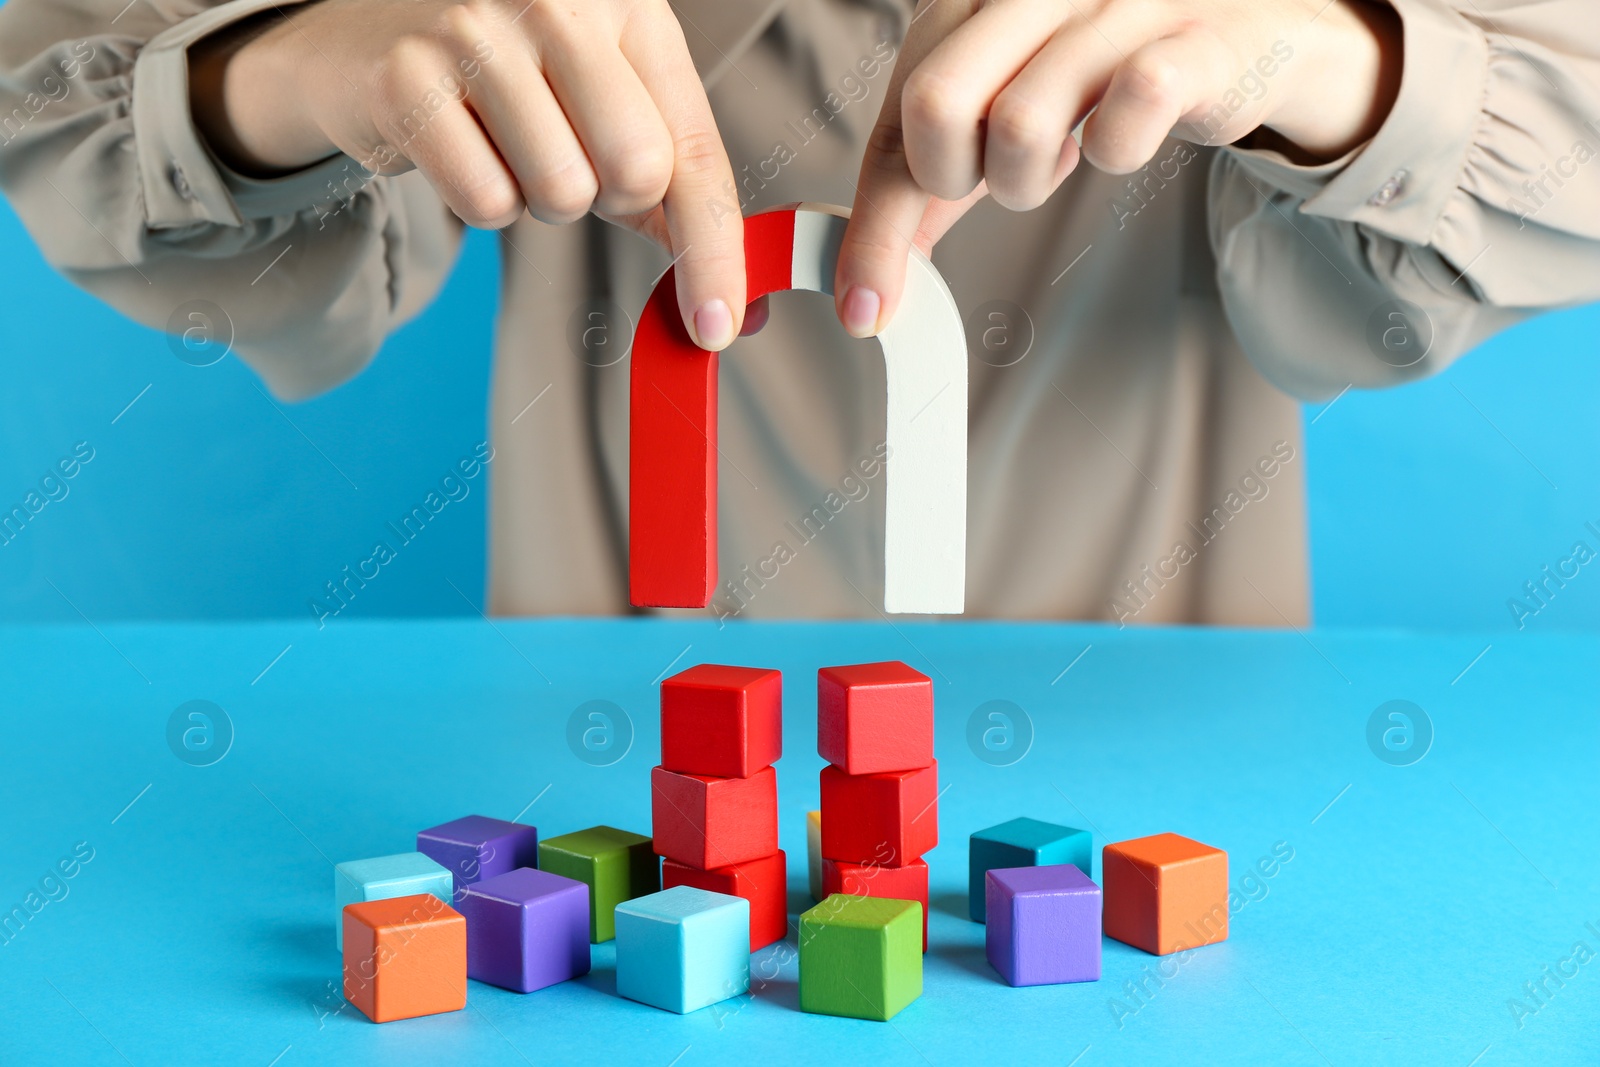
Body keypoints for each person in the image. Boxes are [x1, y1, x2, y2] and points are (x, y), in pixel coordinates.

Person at [1, 0, 1595, 625]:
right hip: (605, 792)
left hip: (1163, 776)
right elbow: (137, 179)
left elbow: (1513, 189)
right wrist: (282, 69)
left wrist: (1332, 68)